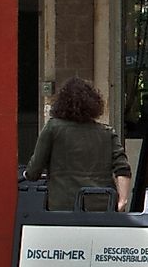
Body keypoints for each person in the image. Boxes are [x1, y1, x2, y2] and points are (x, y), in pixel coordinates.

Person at [24, 77, 131, 210]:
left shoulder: (53, 128)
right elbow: (123, 168)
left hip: (64, 204)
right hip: (102, 204)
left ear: (61, 103)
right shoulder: (107, 133)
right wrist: (122, 201)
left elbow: (34, 170)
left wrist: (26, 175)